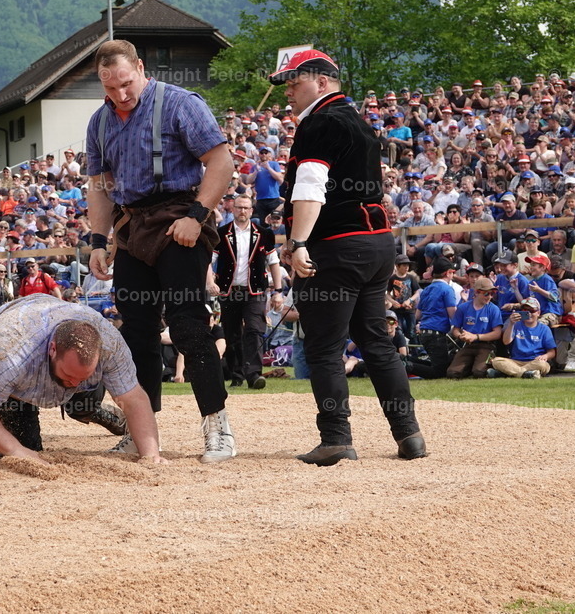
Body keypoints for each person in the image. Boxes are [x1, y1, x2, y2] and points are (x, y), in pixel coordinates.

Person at [270, 47, 425, 466]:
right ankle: (409, 434)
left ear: (321, 82)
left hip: (336, 247)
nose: (288, 90)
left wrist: (297, 241)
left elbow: (311, 186)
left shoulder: (319, 121)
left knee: (323, 347)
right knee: (377, 343)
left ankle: (336, 438)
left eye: (294, 81)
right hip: (376, 244)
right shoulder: (359, 123)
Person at [86, 39, 237, 464]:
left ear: (139, 67)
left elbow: (221, 162)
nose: (120, 94)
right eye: (110, 87)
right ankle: (142, 432)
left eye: (126, 83)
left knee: (188, 324)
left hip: (179, 218)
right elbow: (99, 186)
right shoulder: (98, 122)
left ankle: (217, 428)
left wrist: (196, 215)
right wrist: (99, 241)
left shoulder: (179, 103)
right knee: (136, 332)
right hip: (132, 225)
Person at [0, 295, 163, 463]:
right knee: (24, 452)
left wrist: (151, 455)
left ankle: (95, 412)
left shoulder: (111, 346)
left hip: (50, 336)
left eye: (82, 378)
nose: (74, 384)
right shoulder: (9, 353)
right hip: (16, 359)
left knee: (82, 403)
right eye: (69, 376)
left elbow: (134, 399)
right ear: (53, 349)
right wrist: (14, 449)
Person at [209, 194, 282, 389]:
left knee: (254, 330)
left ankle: (253, 374)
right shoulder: (221, 233)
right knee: (232, 334)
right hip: (229, 290)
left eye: (246, 208)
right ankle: (236, 374)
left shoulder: (264, 233)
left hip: (255, 290)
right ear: (233, 209)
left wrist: (278, 290)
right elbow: (210, 262)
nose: (242, 211)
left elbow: (273, 262)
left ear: (251, 210)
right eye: (239, 207)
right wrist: (210, 281)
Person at [408, 258, 458, 379]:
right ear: (447, 273)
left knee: (437, 364)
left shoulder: (426, 290)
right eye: (452, 272)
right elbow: (453, 314)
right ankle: (404, 365)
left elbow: (418, 315)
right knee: (439, 372)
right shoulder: (447, 289)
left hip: (425, 331)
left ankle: (405, 360)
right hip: (436, 333)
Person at [446, 277, 503, 379]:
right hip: (468, 345)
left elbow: (497, 333)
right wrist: (461, 336)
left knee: (479, 372)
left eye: (492, 293)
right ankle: (469, 368)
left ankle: (481, 368)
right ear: (476, 292)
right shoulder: (463, 308)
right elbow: (455, 329)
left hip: (486, 345)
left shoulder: (494, 309)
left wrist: (476, 337)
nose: (489, 297)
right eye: (486, 293)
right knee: (452, 373)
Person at [488, 297, 556, 378]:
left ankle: (510, 373)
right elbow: (506, 341)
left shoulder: (544, 329)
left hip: (535, 361)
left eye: (532, 311)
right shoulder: (515, 325)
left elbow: (552, 352)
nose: (529, 313)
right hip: (516, 361)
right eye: (525, 311)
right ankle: (527, 374)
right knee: (496, 361)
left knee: (544, 365)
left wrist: (545, 356)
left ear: (538, 313)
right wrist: (511, 324)